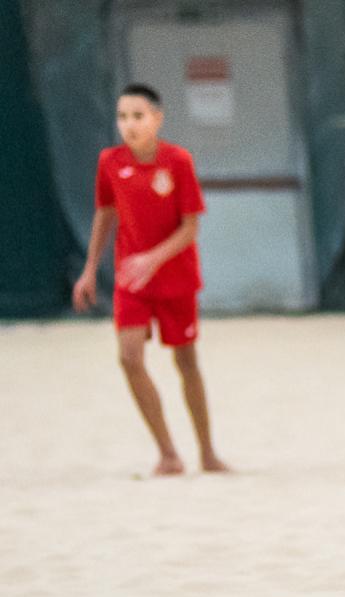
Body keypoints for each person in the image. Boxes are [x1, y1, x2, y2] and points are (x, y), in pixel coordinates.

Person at [73, 83, 228, 476]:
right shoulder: (109, 161)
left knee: (186, 361)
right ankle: (168, 454)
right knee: (128, 358)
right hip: (132, 280)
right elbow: (105, 212)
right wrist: (89, 269)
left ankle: (208, 453)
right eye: (122, 117)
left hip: (176, 279)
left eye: (138, 116)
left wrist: (153, 259)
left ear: (157, 119)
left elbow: (190, 228)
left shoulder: (178, 161)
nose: (130, 124)